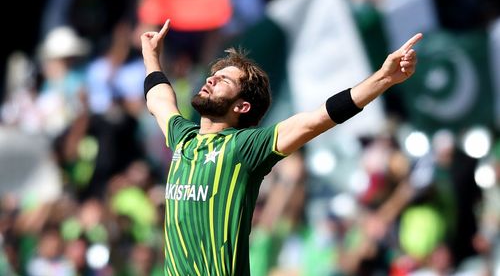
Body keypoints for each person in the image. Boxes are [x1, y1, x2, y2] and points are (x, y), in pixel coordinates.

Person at [141, 18, 422, 275]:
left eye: (223, 80)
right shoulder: (183, 138)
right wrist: (152, 57)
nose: (211, 79)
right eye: (213, 76)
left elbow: (318, 119)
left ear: (242, 106)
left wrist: (384, 78)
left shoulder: (245, 147)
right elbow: (159, 101)